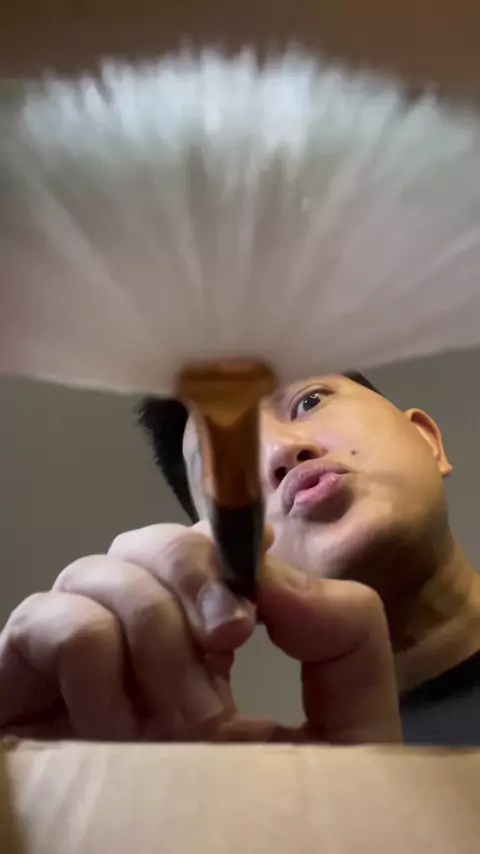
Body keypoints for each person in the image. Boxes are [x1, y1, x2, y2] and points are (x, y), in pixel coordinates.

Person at [0, 371, 477, 746]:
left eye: (310, 401)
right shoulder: (320, 787)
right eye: (224, 460)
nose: (280, 451)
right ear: (219, 547)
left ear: (426, 439)